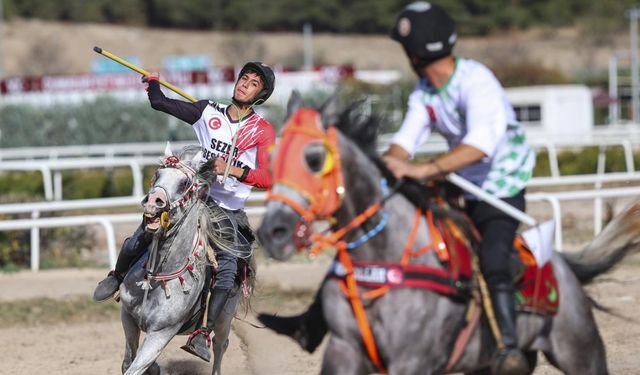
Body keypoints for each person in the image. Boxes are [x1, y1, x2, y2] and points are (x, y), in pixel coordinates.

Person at [258, 3, 535, 375]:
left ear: (416, 52)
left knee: (494, 259)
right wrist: (385, 167)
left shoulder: (476, 80)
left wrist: (423, 170)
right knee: (359, 238)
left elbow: (480, 145)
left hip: (499, 189)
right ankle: (311, 325)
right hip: (458, 182)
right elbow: (405, 141)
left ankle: (508, 348)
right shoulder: (425, 90)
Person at [93, 61, 277, 363]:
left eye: (254, 83)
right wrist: (153, 82)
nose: (245, 84)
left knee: (228, 267)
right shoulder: (207, 111)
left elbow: (268, 178)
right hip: (194, 198)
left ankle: (203, 333)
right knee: (145, 229)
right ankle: (117, 276)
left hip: (228, 211)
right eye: (244, 78)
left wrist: (232, 169)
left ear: (261, 95)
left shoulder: (262, 131)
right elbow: (160, 103)